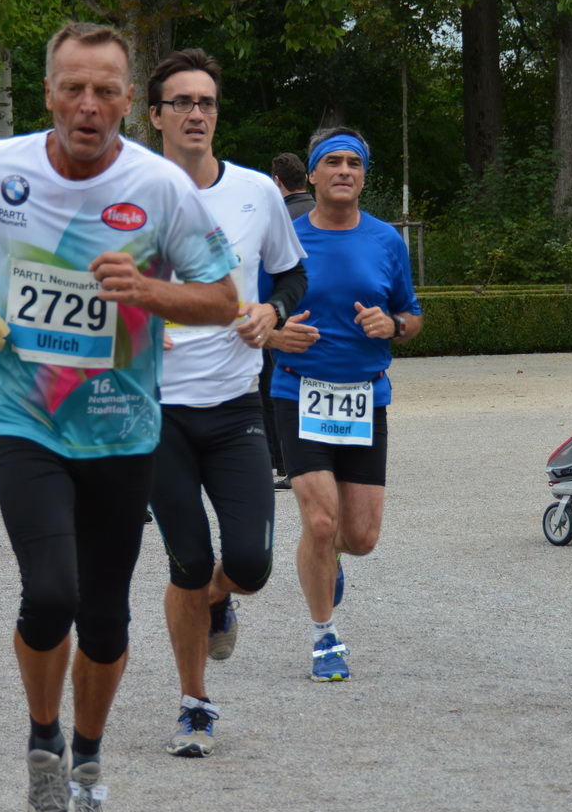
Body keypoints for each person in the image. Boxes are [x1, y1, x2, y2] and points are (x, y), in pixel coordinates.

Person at [0, 21, 238, 812]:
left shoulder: (162, 186)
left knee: (105, 622)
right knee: (52, 594)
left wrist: (144, 289)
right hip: (25, 416)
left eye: (106, 89)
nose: (88, 104)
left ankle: (89, 759)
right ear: (48, 93)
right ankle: (43, 742)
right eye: (73, 86)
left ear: (129, 102)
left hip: (121, 425)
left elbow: (221, 297)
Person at [145, 49, 307, 757]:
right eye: (180, 102)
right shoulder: (120, 196)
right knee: (185, 560)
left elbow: (293, 278)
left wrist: (271, 310)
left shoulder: (256, 193)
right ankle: (195, 702)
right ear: (154, 116)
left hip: (237, 404)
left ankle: (219, 596)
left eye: (205, 102)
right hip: (154, 413)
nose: (195, 114)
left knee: (249, 563)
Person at [269, 127, 421, 681]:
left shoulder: (386, 242)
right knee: (319, 518)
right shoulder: (285, 237)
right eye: (330, 162)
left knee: (359, 537)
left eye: (352, 163)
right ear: (311, 174)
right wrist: (275, 334)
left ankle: (326, 556)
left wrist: (395, 324)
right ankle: (324, 636)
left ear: (363, 175)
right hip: (298, 391)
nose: (342, 171)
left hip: (364, 399)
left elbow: (412, 314)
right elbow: (251, 312)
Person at [264, 153, 317, 487]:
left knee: (277, 390)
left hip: (284, 316)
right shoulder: (320, 213)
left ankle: (286, 463)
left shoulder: (276, 219)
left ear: (277, 182)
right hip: (322, 315)